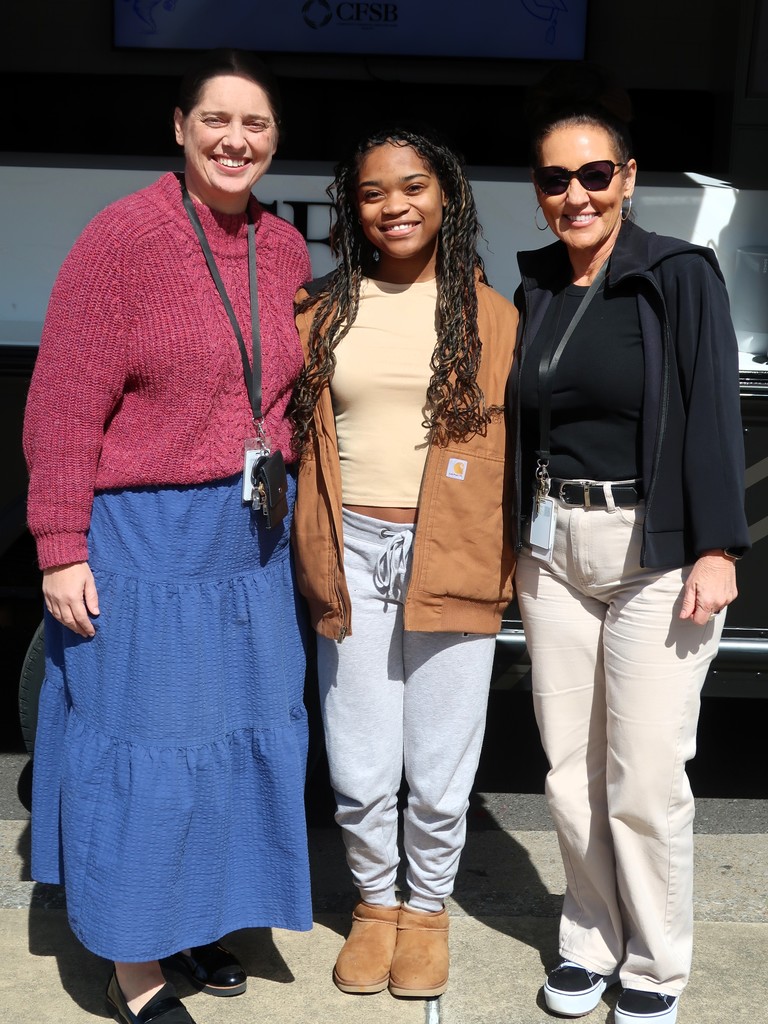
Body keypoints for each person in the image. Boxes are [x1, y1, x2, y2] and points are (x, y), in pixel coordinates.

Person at [23, 49, 313, 1024]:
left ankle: (195, 917)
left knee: (234, 743)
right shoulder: (123, 239)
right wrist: (60, 543)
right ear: (180, 128)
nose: (237, 140)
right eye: (217, 121)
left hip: (251, 538)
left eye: (257, 125)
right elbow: (64, 403)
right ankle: (133, 959)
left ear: (275, 140)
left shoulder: (282, 248)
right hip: (144, 536)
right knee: (147, 747)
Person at [508, 98, 750, 1024]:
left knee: (645, 774)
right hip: (552, 551)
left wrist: (720, 544)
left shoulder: (677, 274)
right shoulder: (535, 288)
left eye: (595, 175)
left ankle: (653, 967)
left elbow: (714, 409)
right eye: (556, 179)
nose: (577, 195)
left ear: (629, 178)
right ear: (538, 193)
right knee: (570, 769)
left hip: (656, 549)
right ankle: (588, 942)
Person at [289, 126, 517, 998]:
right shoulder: (322, 309)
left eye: (413, 187)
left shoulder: (492, 315)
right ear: (354, 210)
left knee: (442, 758)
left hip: (451, 549)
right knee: (357, 758)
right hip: (349, 549)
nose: (395, 206)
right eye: (374, 193)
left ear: (448, 196)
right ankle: (374, 904)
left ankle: (427, 910)